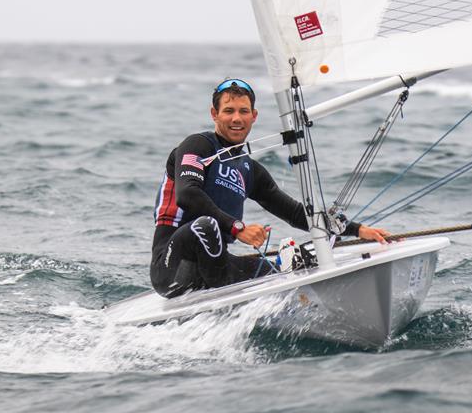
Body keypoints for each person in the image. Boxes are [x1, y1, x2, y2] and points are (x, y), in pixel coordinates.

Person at [150, 78, 390, 298]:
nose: (237, 119)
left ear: (254, 116)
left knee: (288, 268)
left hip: (215, 269)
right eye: (229, 111)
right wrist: (237, 228)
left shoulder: (250, 170)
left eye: (244, 111)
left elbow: (295, 213)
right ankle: (227, 296)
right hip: (172, 267)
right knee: (206, 226)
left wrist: (357, 230)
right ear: (214, 114)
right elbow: (187, 194)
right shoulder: (197, 145)